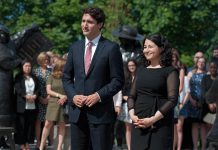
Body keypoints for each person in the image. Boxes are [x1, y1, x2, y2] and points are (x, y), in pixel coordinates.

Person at [62, 7, 124, 150]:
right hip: (77, 114)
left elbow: (118, 80)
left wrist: (98, 95)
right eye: (83, 21)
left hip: (101, 115)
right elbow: (66, 77)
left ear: (100, 24)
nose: (84, 25)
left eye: (89, 22)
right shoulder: (75, 47)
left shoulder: (111, 48)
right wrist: (73, 96)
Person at [127, 33, 179, 150]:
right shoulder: (140, 70)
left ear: (161, 48)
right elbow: (131, 96)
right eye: (145, 47)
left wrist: (153, 120)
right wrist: (132, 115)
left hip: (160, 124)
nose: (146, 50)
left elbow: (172, 100)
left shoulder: (170, 71)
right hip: (139, 123)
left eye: (150, 46)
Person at [40, 58, 67, 150]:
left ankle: (59, 147)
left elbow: (71, 89)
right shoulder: (51, 76)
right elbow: (48, 90)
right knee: (47, 124)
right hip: (53, 103)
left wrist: (65, 97)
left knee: (62, 124)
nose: (66, 67)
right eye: (64, 66)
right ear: (60, 66)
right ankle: (42, 145)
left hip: (64, 103)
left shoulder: (67, 77)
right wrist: (59, 95)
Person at [14, 60, 38, 150]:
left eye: (29, 66)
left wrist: (35, 95)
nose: (28, 68)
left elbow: (37, 88)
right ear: (22, 67)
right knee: (21, 125)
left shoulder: (34, 77)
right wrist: (25, 96)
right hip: (22, 104)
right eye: (26, 66)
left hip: (32, 105)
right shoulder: (18, 77)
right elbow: (18, 88)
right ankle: (21, 144)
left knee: (29, 125)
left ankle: (27, 143)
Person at [187, 57, 207, 150]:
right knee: (194, 125)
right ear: (197, 62)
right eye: (200, 62)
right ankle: (195, 147)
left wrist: (203, 102)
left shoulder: (207, 74)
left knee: (203, 125)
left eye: (203, 62)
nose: (201, 63)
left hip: (204, 103)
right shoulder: (191, 73)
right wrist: (191, 100)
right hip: (193, 103)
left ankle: (203, 147)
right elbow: (188, 89)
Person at [33, 52, 52, 149]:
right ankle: (39, 142)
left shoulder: (51, 72)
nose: (47, 61)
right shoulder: (35, 72)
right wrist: (39, 98)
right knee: (39, 121)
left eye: (47, 59)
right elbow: (34, 87)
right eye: (45, 59)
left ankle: (48, 142)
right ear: (40, 60)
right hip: (38, 98)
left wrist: (48, 97)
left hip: (49, 98)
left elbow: (53, 86)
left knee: (48, 121)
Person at [117, 59, 137, 150]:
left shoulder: (139, 77)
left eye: (133, 65)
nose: (131, 67)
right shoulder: (125, 79)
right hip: (126, 106)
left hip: (138, 105)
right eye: (129, 65)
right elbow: (121, 93)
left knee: (136, 128)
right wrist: (128, 98)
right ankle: (129, 148)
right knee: (128, 128)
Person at [171, 48, 185, 150]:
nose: (172, 58)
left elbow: (181, 87)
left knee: (176, 125)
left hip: (175, 98)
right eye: (171, 56)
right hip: (166, 97)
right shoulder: (166, 67)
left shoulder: (180, 69)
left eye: (174, 56)